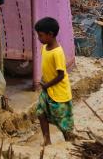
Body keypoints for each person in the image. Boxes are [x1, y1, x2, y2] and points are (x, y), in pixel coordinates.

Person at [34, 17, 74, 145]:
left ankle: (69, 140)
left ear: (50, 35)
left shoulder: (57, 52)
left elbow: (61, 75)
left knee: (62, 120)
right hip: (47, 89)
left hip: (59, 92)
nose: (38, 38)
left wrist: (46, 84)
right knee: (40, 113)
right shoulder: (44, 48)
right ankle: (47, 140)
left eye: (40, 35)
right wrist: (43, 80)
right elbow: (47, 67)